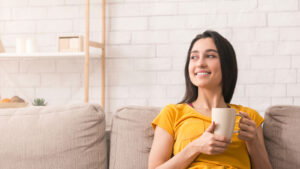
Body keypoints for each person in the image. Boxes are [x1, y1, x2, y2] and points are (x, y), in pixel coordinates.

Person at [148, 30, 272, 169]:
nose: (200, 63)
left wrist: (254, 142)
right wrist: (195, 147)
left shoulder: (248, 117)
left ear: (227, 65)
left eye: (210, 56)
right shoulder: (172, 113)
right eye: (194, 57)